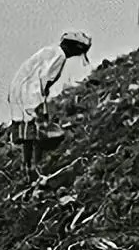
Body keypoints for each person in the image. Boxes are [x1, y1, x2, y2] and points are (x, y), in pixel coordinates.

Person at [8, 31, 92, 180]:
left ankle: (27, 167)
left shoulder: (49, 50)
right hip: (31, 92)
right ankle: (37, 167)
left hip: (18, 88)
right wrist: (41, 103)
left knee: (27, 132)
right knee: (39, 131)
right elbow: (44, 78)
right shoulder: (59, 57)